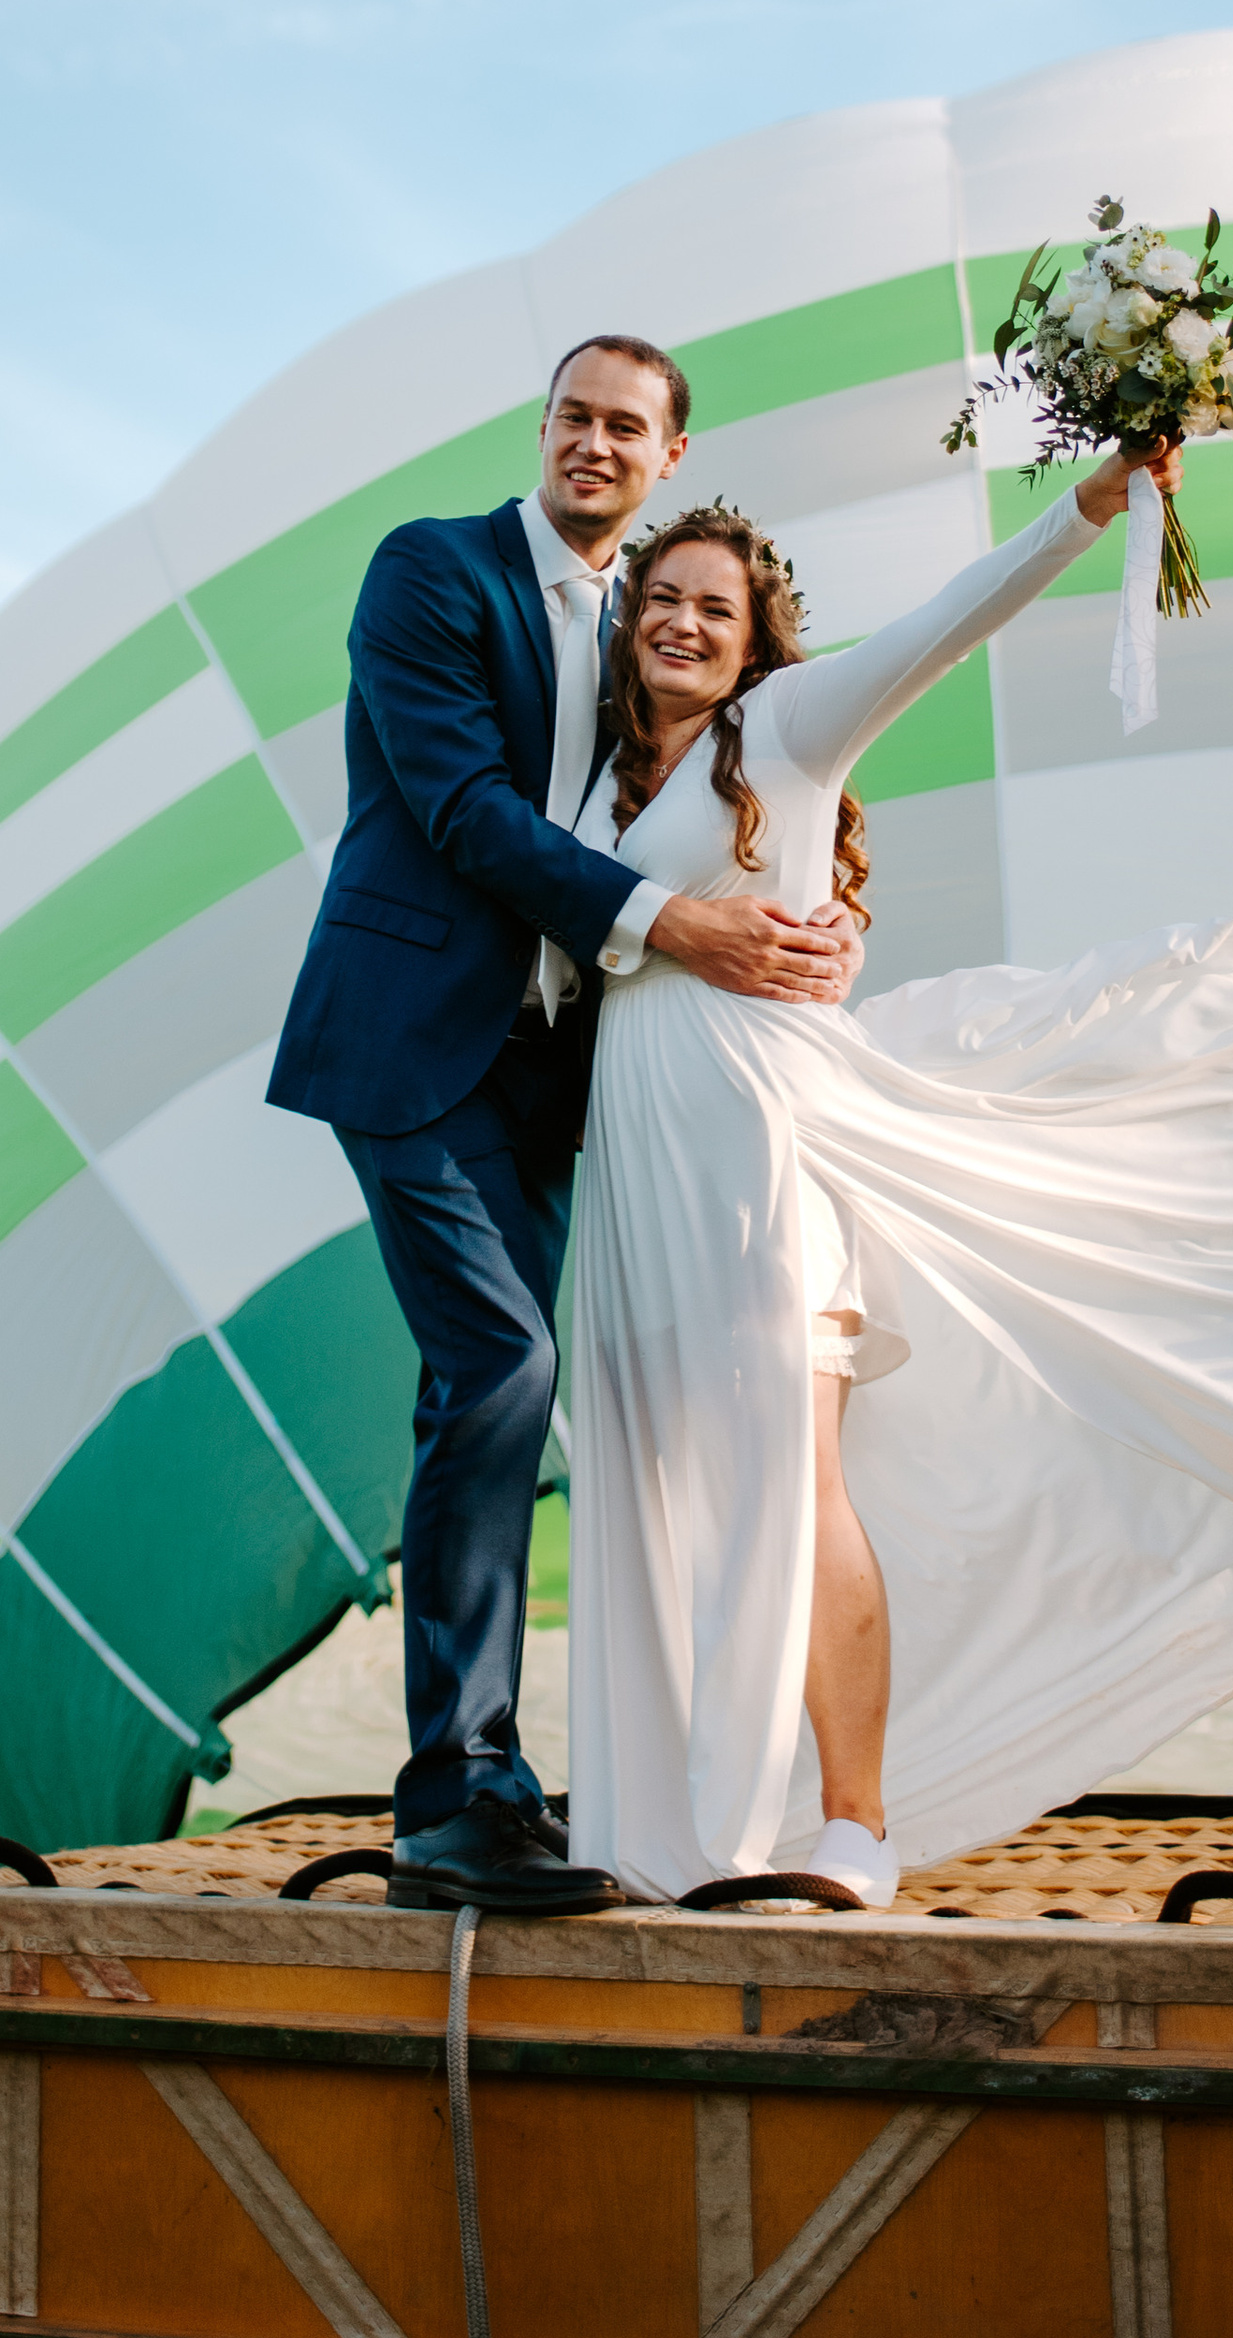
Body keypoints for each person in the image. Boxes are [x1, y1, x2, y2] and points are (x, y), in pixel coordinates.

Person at [565, 443, 1233, 1910]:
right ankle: (669, 1824)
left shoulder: (784, 728)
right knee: (662, 1490)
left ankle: (853, 1826)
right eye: (664, 599)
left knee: (797, 1483)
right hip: (641, 1171)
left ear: (757, 639)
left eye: (717, 606)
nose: (685, 623)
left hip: (764, 1150)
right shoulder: (600, 780)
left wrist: (1085, 507)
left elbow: (944, 624)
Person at [266, 333, 862, 1916]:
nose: (595, 443)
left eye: (626, 427)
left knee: (508, 1389)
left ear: (669, 457)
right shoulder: (432, 572)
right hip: (408, 1039)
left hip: (546, 1071)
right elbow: (464, 811)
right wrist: (679, 926)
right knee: (502, 1366)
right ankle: (454, 1797)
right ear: (543, 429)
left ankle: (513, 1782)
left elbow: (732, 797)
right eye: (573, 416)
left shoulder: (646, 625)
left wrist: (815, 918)